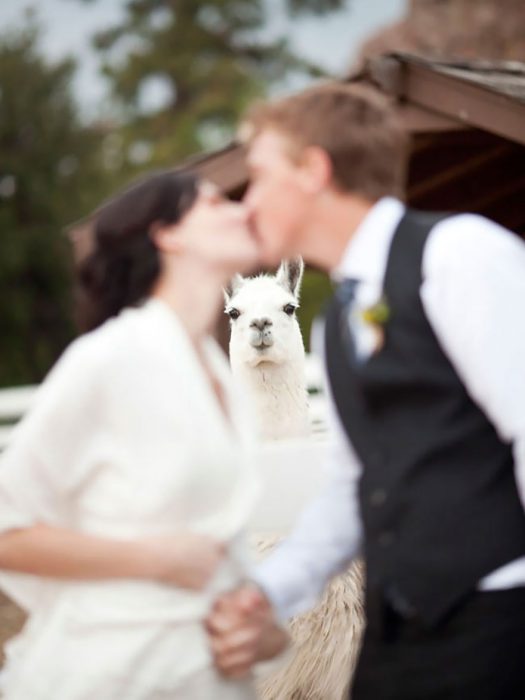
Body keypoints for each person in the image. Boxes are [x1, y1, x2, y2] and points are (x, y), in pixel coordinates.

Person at [206, 83, 525, 699]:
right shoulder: (341, 320)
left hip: (493, 617)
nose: (249, 202)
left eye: (262, 177)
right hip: (401, 628)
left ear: (314, 172)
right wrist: (271, 592)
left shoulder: (459, 258)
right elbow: (356, 485)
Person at [0, 170, 287, 699]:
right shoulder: (109, 360)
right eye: (214, 203)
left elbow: (219, 551)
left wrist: (262, 634)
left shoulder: (217, 375)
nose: (240, 210)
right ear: (167, 234)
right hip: (110, 676)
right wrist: (156, 561)